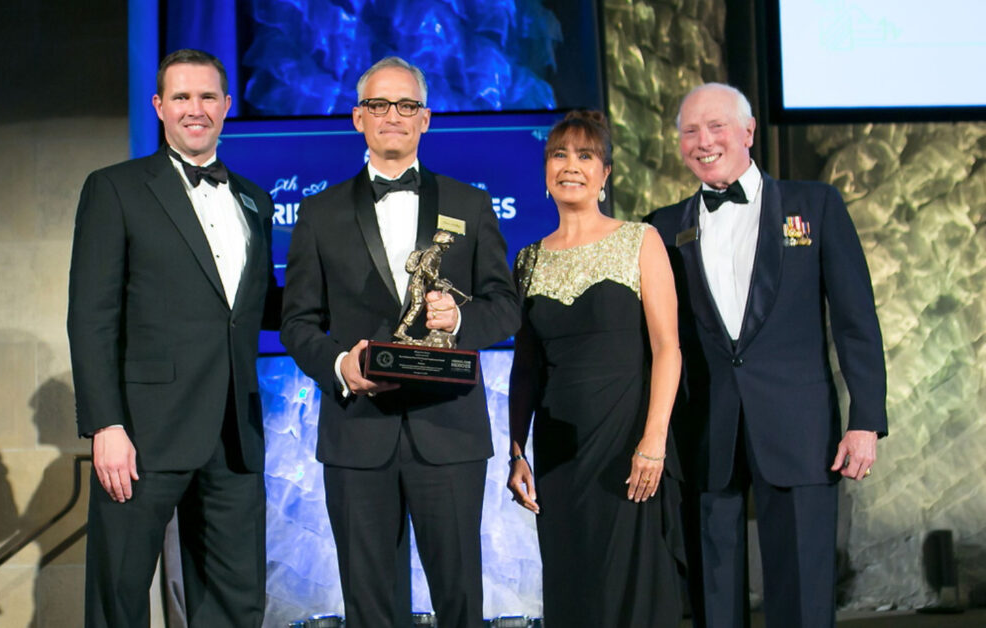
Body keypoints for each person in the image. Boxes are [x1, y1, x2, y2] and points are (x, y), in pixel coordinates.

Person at [279, 56, 520, 628]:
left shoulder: (471, 204)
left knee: (461, 601)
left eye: (407, 105)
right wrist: (340, 364)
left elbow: (506, 307)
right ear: (358, 118)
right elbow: (297, 322)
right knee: (370, 607)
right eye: (381, 105)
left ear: (427, 119)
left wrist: (457, 322)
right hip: (358, 433)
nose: (395, 115)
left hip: (450, 432)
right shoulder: (318, 213)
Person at [647, 83, 888, 628]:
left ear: (748, 132)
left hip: (801, 430)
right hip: (707, 433)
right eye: (690, 131)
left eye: (717, 127)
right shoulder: (661, 227)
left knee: (803, 597)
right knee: (714, 600)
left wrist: (865, 421)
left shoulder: (816, 205)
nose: (703, 142)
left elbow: (856, 322)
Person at [67, 48, 281, 627]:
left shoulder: (254, 200)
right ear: (159, 107)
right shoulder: (115, 189)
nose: (196, 109)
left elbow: (258, 308)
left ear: (227, 106)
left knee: (236, 601)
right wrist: (105, 425)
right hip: (142, 432)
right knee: (121, 597)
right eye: (182, 97)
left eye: (208, 96)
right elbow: (91, 316)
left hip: (234, 433)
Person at [507, 110, 685, 627]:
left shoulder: (640, 240)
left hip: (628, 448)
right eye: (559, 154)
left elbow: (668, 349)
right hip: (559, 457)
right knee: (572, 588)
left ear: (605, 174)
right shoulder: (529, 260)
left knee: (629, 590)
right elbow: (526, 368)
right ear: (545, 171)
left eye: (585, 156)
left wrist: (654, 442)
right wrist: (517, 451)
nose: (571, 166)